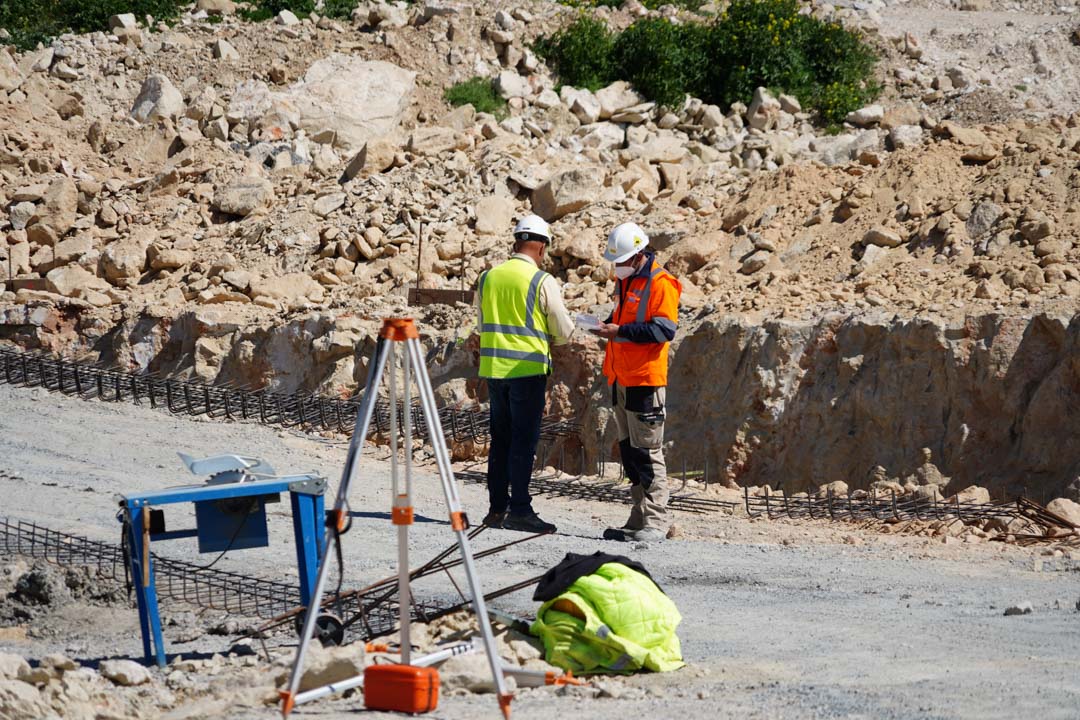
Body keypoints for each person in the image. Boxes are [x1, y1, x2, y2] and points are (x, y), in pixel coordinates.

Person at [477, 214, 574, 533]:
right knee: (522, 442)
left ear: (516, 241)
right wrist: (556, 340)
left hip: (493, 370)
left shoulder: (488, 277)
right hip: (527, 371)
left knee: (500, 440)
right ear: (542, 247)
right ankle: (519, 508)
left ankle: (496, 509)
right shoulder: (541, 281)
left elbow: (480, 324)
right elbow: (563, 328)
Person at [591, 222, 682, 543]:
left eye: (622, 260)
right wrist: (606, 327)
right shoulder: (629, 283)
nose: (618, 267)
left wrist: (619, 332)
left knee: (647, 452)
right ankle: (639, 514)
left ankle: (657, 519)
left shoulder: (661, 284)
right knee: (630, 452)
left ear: (640, 255)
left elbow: (664, 331)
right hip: (621, 378)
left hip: (645, 381)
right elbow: (625, 322)